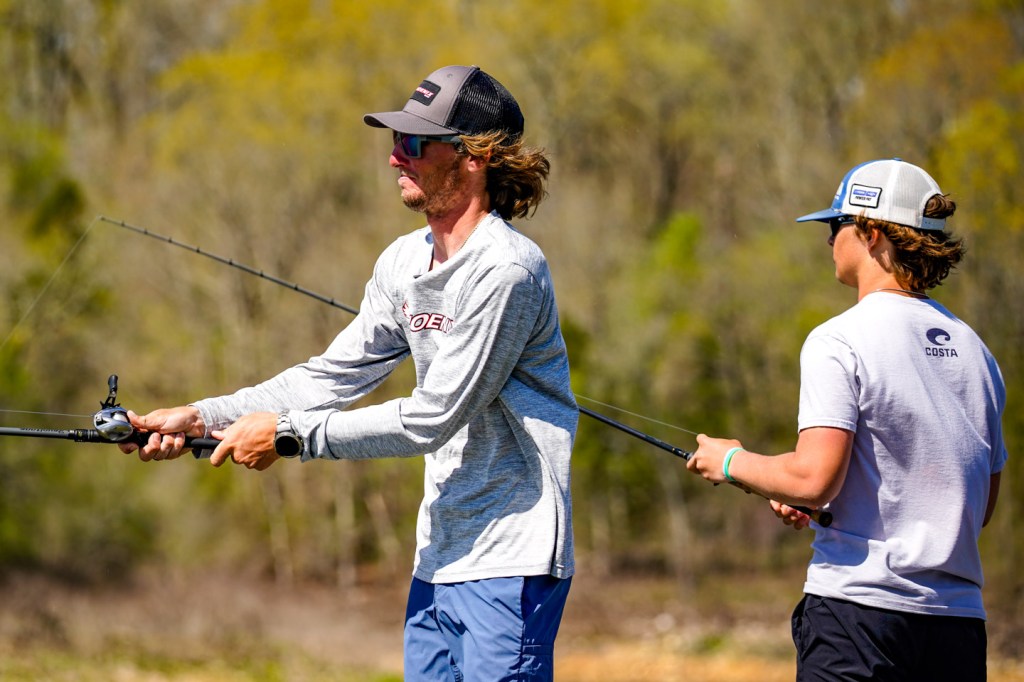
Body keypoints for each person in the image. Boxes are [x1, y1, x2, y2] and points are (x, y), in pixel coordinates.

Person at [121, 64, 576, 682]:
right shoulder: (402, 262)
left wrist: (288, 436)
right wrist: (204, 416)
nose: (394, 157)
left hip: (511, 560)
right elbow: (328, 377)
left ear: (475, 156)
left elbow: (433, 418)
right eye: (394, 140)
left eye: (414, 142)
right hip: (437, 559)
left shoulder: (507, 271)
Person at [685, 158, 1007, 681]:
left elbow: (814, 479)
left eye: (836, 225)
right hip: (958, 627)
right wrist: (830, 499)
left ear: (870, 232)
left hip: (857, 618)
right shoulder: (977, 351)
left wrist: (729, 461)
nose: (829, 239)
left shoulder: (839, 339)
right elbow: (978, 504)